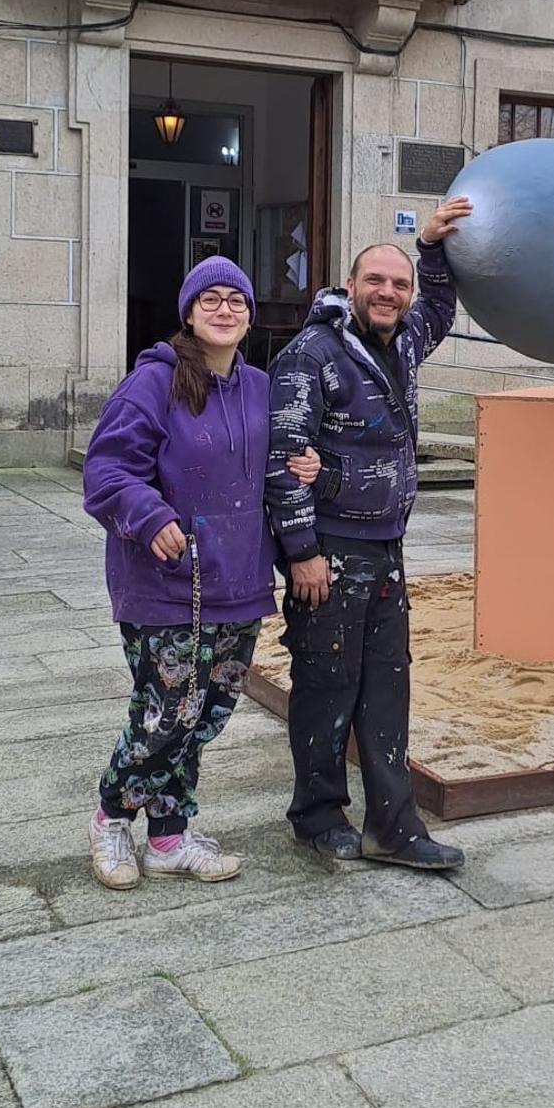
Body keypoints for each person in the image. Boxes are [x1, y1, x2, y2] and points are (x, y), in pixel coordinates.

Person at [83, 256, 320, 891]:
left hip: (239, 585)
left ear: (249, 315)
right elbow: (106, 472)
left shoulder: (262, 388)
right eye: (210, 299)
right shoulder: (153, 384)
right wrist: (147, 512)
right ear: (189, 312)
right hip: (167, 585)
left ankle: (166, 836)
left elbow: (277, 468)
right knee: (164, 715)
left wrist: (305, 467)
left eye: (236, 300)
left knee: (206, 714)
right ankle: (111, 817)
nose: (225, 310)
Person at [266, 196, 472, 871]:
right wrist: (300, 552)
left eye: (400, 283)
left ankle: (393, 824)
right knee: (327, 682)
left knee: (387, 685)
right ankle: (318, 813)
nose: (389, 293)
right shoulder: (311, 355)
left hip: (386, 545)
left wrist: (434, 250)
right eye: (376, 281)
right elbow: (282, 459)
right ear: (349, 286)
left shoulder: (405, 338)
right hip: (328, 549)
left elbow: (439, 311)